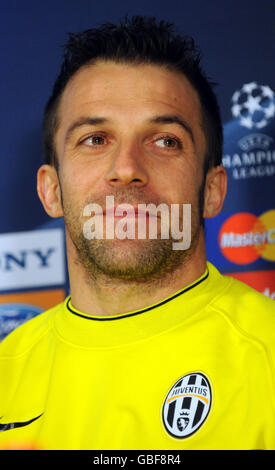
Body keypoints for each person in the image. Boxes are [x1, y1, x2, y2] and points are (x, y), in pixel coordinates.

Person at [0, 15, 274, 451]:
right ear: (51, 190)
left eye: (164, 141)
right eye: (95, 139)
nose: (126, 169)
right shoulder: (6, 373)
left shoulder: (268, 356)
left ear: (213, 190)